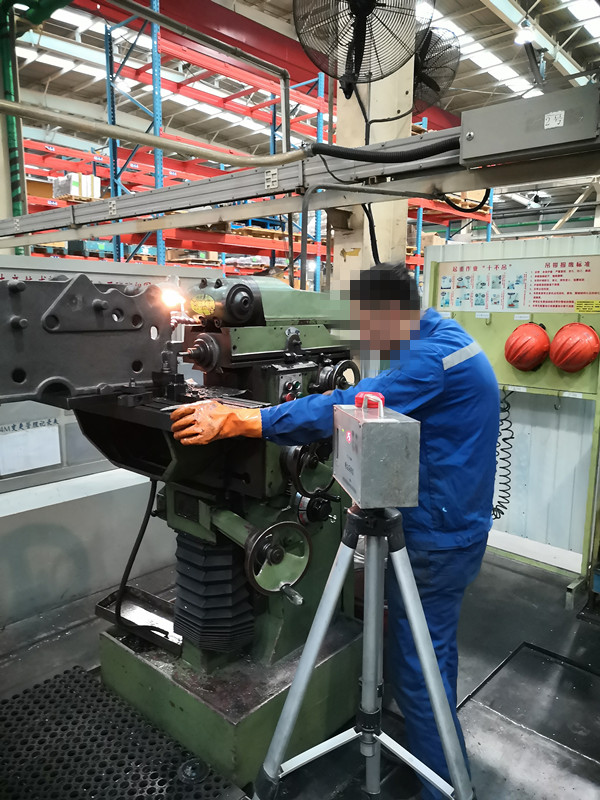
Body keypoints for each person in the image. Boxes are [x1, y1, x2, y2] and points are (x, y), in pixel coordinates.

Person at [170, 262, 499, 800]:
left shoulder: (430, 360)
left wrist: (243, 420)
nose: (364, 336)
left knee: (419, 667)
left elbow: (348, 404)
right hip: (450, 521)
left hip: (439, 536)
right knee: (430, 653)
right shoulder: (443, 337)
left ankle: (445, 788)